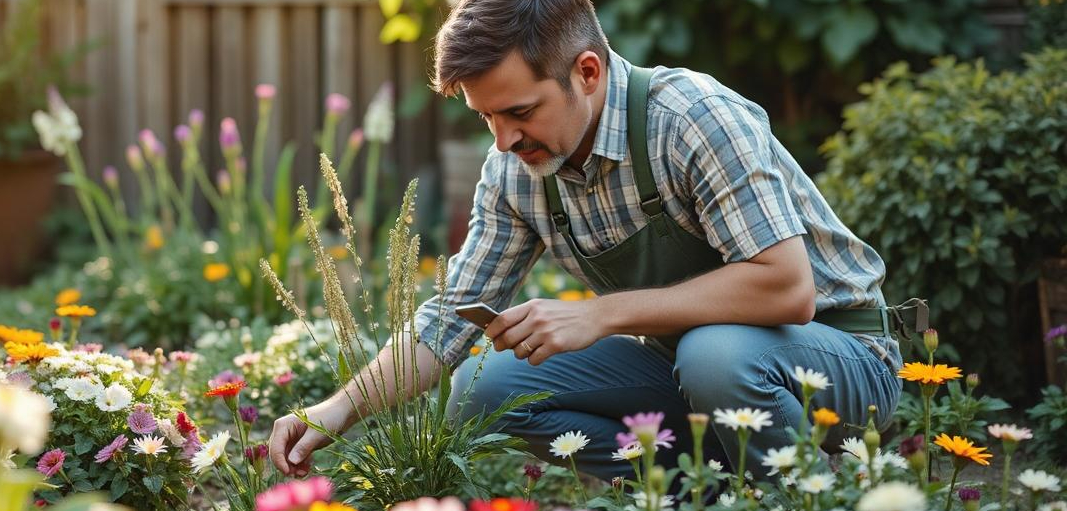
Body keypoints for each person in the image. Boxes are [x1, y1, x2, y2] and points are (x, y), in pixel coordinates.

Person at [269, 0, 909, 483]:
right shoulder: (517, 173)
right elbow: (445, 321)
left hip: (837, 360)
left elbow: (786, 286)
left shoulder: (690, 118)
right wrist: (335, 411)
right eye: (487, 117)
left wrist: (600, 315)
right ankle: (697, 494)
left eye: (520, 112)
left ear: (588, 71)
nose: (503, 140)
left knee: (717, 354)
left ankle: (821, 492)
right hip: (691, 372)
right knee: (480, 388)